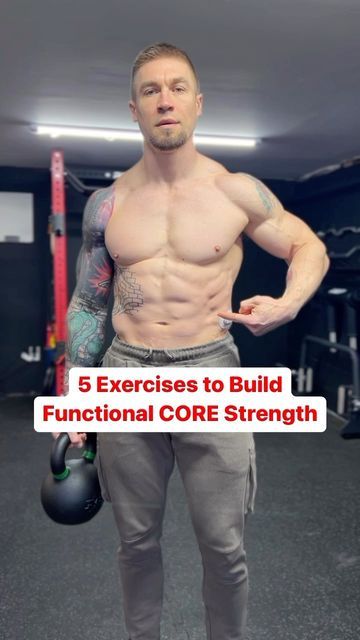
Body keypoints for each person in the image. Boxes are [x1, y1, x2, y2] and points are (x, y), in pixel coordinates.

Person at [57, 43, 329, 640]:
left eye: (177, 87)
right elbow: (88, 301)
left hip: (209, 369)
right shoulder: (108, 204)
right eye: (151, 91)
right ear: (134, 109)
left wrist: (288, 304)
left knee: (224, 546)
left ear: (198, 103)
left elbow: (309, 246)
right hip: (125, 374)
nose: (165, 100)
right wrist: (76, 400)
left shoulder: (236, 191)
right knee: (134, 542)